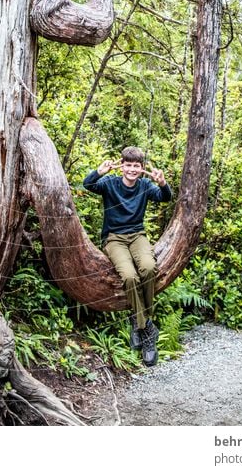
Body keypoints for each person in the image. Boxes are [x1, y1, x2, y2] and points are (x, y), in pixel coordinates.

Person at [83, 146, 173, 367]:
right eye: (128, 165)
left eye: (137, 166)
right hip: (114, 238)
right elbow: (88, 185)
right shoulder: (110, 183)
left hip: (137, 236)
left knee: (149, 268)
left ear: (142, 169)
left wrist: (162, 183)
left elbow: (165, 198)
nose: (132, 169)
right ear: (122, 165)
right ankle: (147, 328)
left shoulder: (144, 185)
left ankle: (138, 322)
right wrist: (99, 171)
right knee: (130, 276)